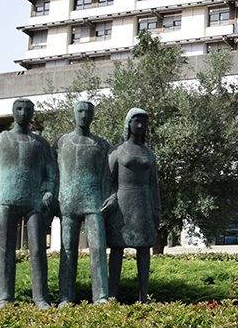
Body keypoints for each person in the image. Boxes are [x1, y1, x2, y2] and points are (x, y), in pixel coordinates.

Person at [0, 98, 57, 308]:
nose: (23, 112)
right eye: (19, 108)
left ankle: (40, 298)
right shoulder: (0, 140)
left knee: (38, 250)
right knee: (5, 251)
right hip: (5, 201)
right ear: (12, 112)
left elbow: (51, 174)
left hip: (34, 201)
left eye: (28, 109)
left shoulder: (41, 144)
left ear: (33, 113)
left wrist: (48, 193)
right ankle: (5, 299)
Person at [53, 101, 113, 307]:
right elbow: (52, 173)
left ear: (93, 115)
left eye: (88, 112)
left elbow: (108, 176)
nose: (84, 115)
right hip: (67, 203)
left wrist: (110, 197)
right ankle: (65, 297)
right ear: (74, 113)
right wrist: (53, 199)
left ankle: (101, 297)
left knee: (97, 248)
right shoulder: (61, 143)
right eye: (80, 111)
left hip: (94, 203)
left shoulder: (102, 145)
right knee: (67, 251)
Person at [107, 109, 161, 303]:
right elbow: (107, 179)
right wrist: (110, 198)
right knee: (117, 248)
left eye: (144, 122)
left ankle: (144, 297)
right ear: (128, 123)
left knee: (144, 248)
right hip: (122, 204)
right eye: (136, 121)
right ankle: (112, 295)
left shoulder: (149, 153)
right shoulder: (117, 151)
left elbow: (154, 183)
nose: (140, 126)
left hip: (144, 203)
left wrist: (157, 209)